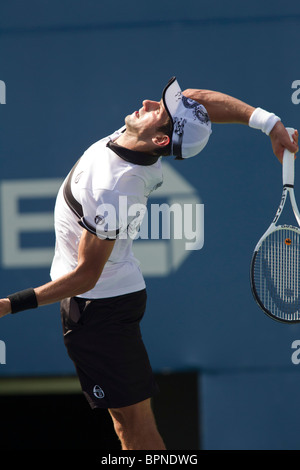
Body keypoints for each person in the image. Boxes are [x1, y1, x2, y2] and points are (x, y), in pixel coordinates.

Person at [0, 77, 298, 450]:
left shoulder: (116, 187)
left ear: (160, 140)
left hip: (99, 310)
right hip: (104, 301)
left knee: (134, 429)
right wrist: (269, 123)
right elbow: (197, 100)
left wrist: (9, 305)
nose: (147, 102)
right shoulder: (139, 138)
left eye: (158, 110)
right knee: (125, 422)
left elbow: (87, 275)